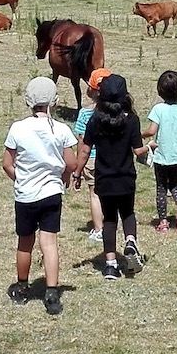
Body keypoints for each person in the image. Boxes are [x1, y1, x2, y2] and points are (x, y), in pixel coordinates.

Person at [2, 76, 80, 315]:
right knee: (49, 243)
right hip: (51, 194)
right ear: (55, 102)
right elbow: (72, 162)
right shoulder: (61, 130)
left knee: (25, 243)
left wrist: (21, 179)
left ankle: (22, 287)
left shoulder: (18, 128)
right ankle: (52, 292)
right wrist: (65, 175)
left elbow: (7, 164)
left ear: (28, 101)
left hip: (25, 196)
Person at [75, 73, 149, 278]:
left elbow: (84, 150)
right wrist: (150, 148)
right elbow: (138, 150)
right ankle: (131, 241)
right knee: (128, 213)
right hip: (126, 177)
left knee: (109, 220)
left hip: (104, 179)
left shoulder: (95, 121)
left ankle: (110, 265)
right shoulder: (131, 120)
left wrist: (78, 172)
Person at [141, 69, 177, 233]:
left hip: (162, 158)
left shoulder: (158, 109)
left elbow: (151, 131)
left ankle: (163, 222)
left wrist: (139, 135)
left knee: (161, 189)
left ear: (160, 90)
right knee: (176, 185)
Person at [70, 67, 111, 244]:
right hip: (112, 157)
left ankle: (99, 229)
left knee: (94, 193)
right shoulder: (116, 113)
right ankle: (111, 223)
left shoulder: (85, 114)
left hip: (92, 159)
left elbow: (82, 143)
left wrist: (78, 168)